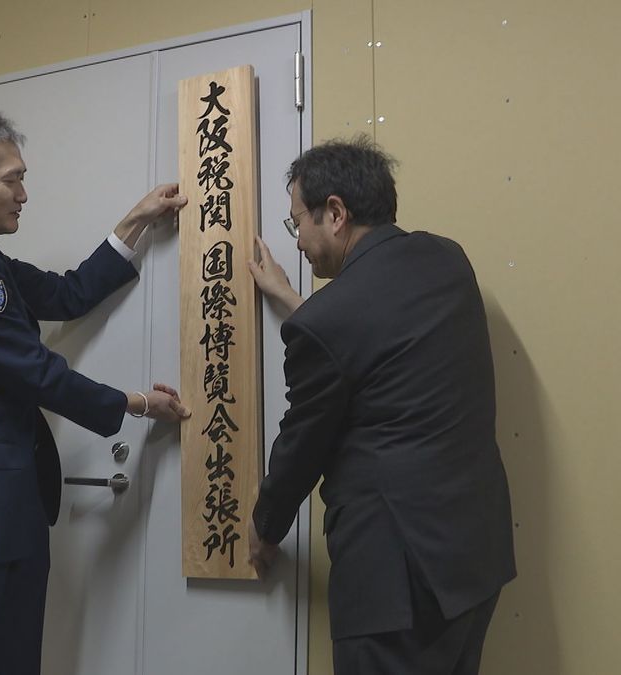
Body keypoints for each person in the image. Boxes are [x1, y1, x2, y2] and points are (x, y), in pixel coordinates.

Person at [0, 106, 189, 675]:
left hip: (3, 515)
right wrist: (141, 403)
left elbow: (67, 293)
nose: (24, 193)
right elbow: (37, 373)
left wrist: (138, 220)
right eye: (12, 179)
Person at [246, 136, 516, 673]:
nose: (297, 240)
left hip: (397, 584)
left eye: (296, 221)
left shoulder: (330, 321)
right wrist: (295, 306)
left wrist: (263, 526)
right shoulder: (447, 260)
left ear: (336, 213)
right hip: (473, 560)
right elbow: (381, 345)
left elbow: (303, 444)